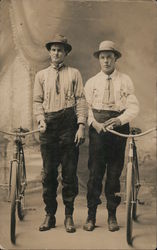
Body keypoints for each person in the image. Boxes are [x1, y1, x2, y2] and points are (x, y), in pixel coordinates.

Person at [83, 40, 139, 232]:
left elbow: (133, 107)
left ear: (115, 58)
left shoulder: (125, 80)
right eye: (102, 57)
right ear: (99, 59)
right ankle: (91, 215)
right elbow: (86, 108)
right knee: (95, 173)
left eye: (109, 57)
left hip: (118, 129)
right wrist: (94, 124)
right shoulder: (91, 82)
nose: (106, 61)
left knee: (114, 173)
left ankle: (112, 215)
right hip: (98, 129)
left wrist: (120, 120)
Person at [33, 34, 87, 233]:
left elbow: (81, 100)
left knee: (69, 174)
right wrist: (40, 119)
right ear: (49, 52)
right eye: (53, 49)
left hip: (68, 125)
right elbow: (37, 101)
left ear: (66, 53)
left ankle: (69, 216)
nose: (56, 53)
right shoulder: (41, 76)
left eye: (60, 50)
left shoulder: (74, 73)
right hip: (48, 125)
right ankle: (50, 214)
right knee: (48, 174)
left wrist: (81, 125)